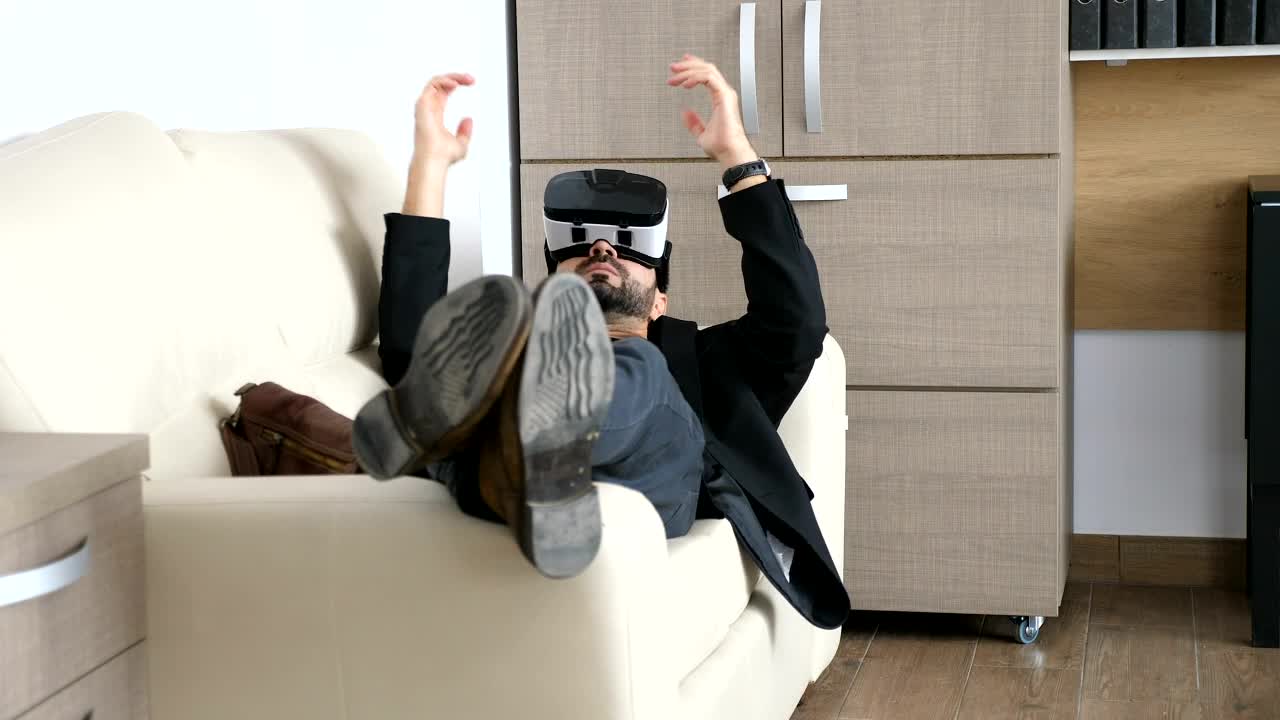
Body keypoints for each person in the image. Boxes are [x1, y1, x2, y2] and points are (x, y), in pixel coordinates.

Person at [355, 56, 850, 629]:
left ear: (660, 302)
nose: (602, 250)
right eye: (579, 249)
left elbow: (797, 322)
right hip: (541, 465)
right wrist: (431, 164)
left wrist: (736, 156)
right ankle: (514, 470)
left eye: (627, 250)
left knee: (641, 367)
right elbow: (411, 356)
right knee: (462, 386)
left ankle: (501, 452)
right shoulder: (522, 356)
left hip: (649, 484)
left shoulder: (707, 364)